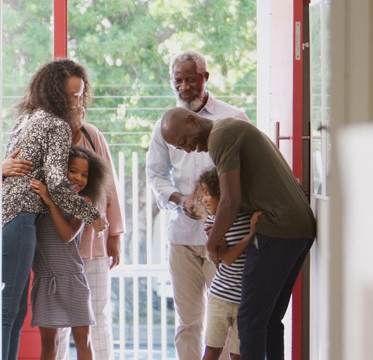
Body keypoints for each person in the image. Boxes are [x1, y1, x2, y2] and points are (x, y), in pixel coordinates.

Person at [160, 107, 316, 360]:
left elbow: (230, 201)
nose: (187, 149)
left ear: (192, 120)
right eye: (181, 148)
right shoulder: (230, 129)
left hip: (277, 228)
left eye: (185, 141)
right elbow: (240, 198)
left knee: (249, 318)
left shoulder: (221, 135)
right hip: (299, 227)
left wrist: (211, 245)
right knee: (269, 319)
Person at [146, 49, 249, 359]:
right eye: (178, 80)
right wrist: (180, 200)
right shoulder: (165, 125)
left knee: (229, 319)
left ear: (206, 77)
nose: (184, 87)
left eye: (191, 79)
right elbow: (155, 175)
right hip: (182, 239)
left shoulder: (232, 118)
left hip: (225, 238)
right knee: (188, 322)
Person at [1, 59, 107, 360]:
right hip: (21, 220)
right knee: (9, 311)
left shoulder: (25, 120)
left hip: (9, 219)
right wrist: (93, 215)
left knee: (14, 310)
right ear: (54, 92)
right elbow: (59, 184)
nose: (76, 101)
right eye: (71, 95)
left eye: (80, 94)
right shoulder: (56, 124)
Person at [29, 146, 111, 360]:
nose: (79, 178)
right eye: (73, 171)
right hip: (46, 280)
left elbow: (66, 235)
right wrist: (47, 198)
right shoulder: (39, 196)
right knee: (49, 344)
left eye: (84, 174)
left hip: (74, 280)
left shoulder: (83, 203)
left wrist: (50, 202)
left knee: (83, 341)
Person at [54, 113, 125, 360]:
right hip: (59, 247)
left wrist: (115, 234)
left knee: (98, 316)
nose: (76, 108)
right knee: (58, 321)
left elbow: (109, 186)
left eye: (79, 100)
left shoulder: (91, 134)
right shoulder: (49, 136)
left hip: (94, 244)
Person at [191, 168, 261, 360]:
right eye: (201, 194)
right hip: (220, 296)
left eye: (207, 194)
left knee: (237, 355)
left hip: (245, 300)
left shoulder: (246, 217)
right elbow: (226, 259)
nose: (204, 199)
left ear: (221, 192)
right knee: (212, 351)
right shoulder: (214, 222)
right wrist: (250, 236)